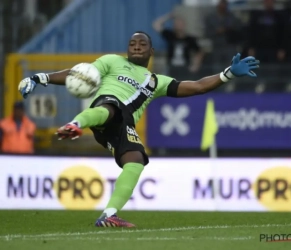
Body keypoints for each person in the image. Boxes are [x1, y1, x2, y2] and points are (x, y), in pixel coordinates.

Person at [18, 31, 260, 228]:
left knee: (136, 160)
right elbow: (79, 75)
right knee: (112, 107)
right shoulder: (112, 61)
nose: (135, 46)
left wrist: (226, 75)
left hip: (124, 125)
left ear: (151, 51)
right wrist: (41, 78)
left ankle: (108, 215)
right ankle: (76, 124)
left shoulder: (156, 81)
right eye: (132, 43)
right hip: (106, 107)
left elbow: (196, 86)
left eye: (141, 43)